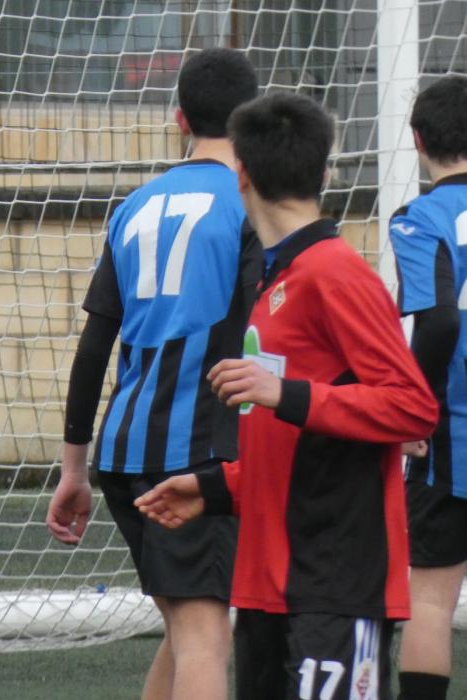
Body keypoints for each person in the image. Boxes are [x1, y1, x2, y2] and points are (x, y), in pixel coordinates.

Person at [135, 92, 439, 700]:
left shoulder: (337, 273)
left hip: (334, 587)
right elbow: (300, 445)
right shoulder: (278, 278)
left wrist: (286, 392)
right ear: (324, 172)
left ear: (241, 174)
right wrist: (218, 488)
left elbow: (413, 408)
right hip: (267, 588)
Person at [46, 48, 261, 700]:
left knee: (185, 628)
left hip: (122, 452)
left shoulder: (134, 206)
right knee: (204, 636)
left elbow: (94, 345)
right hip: (196, 454)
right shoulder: (250, 206)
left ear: (179, 119)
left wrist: (74, 469)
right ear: (252, 118)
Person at [388, 74, 467, 700]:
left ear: (417, 140)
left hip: (452, 434)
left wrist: (413, 409)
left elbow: (438, 321)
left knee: (432, 599)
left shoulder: (421, 218)